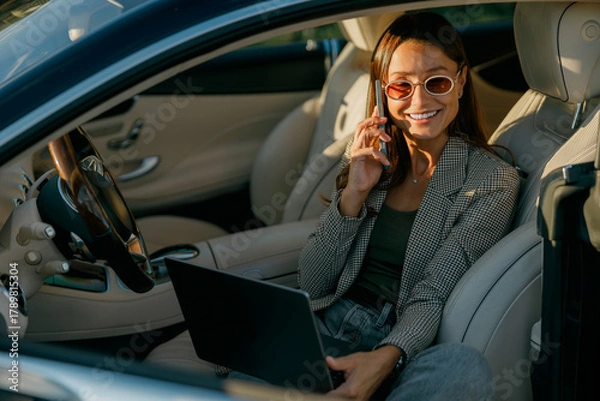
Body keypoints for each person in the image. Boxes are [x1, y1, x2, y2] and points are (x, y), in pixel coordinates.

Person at [296, 11, 520, 401]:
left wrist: (384, 359)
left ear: (461, 82)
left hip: (399, 343)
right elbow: (312, 283)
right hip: (327, 325)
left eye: (436, 81)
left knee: (462, 370)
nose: (419, 100)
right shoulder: (369, 155)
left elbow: (434, 290)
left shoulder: (491, 180)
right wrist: (354, 194)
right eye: (401, 87)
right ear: (384, 92)